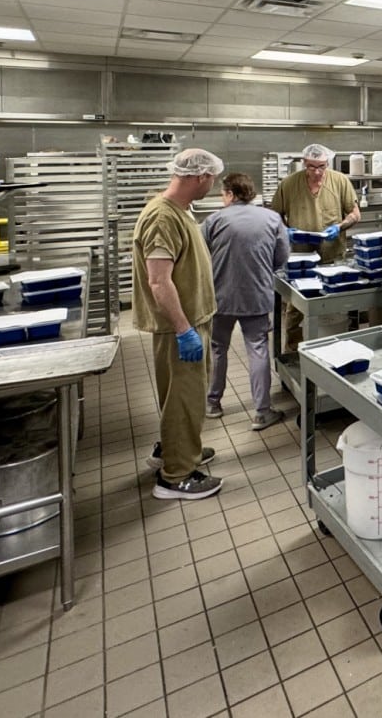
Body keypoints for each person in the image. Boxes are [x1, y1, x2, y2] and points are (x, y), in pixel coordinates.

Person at [132, 147, 224, 500]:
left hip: (193, 319)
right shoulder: (162, 217)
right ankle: (176, 476)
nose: (212, 186)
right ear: (199, 177)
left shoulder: (180, 210)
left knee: (186, 397)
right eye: (210, 179)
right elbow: (159, 281)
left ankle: (178, 449)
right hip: (179, 327)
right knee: (182, 398)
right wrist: (184, 329)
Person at [202, 172, 289, 431]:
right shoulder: (271, 218)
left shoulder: (213, 220)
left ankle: (212, 404)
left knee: (218, 349)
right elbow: (282, 258)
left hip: (220, 296)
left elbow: (202, 257)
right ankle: (262, 412)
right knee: (258, 348)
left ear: (229, 194)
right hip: (256, 294)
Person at [270, 143, 361, 351]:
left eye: (322, 166)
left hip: (333, 256)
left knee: (337, 305)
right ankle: (292, 353)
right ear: (304, 163)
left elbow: (355, 214)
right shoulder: (289, 184)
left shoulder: (340, 181)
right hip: (300, 259)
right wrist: (285, 230)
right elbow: (275, 215)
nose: (317, 172)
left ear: (327, 163)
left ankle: (340, 349)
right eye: (312, 167)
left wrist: (339, 227)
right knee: (296, 309)